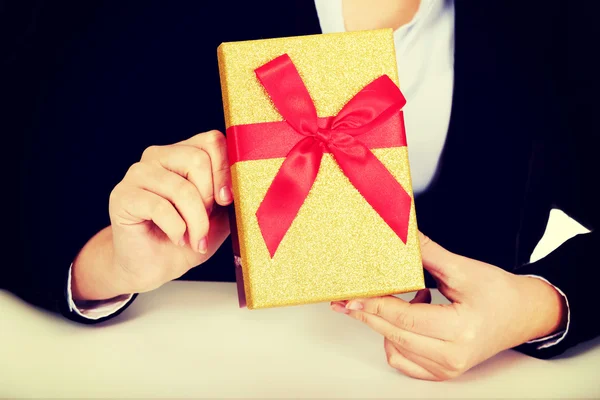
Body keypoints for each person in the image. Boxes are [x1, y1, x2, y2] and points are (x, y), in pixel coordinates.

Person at [7, 0, 598, 381]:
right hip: (200, 375)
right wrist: (110, 263)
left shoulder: (550, 18)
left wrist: (543, 307)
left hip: (467, 385)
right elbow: (21, 190)